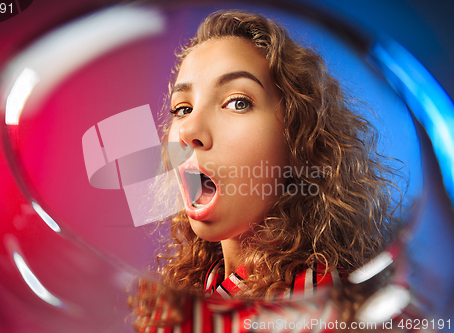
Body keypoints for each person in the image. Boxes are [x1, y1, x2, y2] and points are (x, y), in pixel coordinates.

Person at [131, 9, 401, 332]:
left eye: (237, 102)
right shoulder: (205, 286)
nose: (188, 131)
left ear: (298, 140)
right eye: (182, 108)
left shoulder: (314, 305)